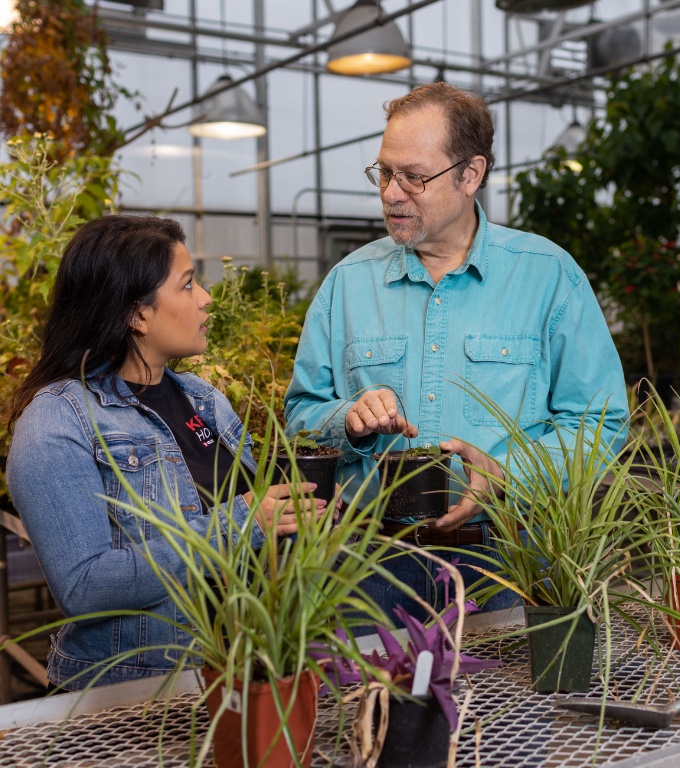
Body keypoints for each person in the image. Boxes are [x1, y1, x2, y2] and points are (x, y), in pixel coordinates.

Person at [284, 82, 630, 623]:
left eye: (414, 177)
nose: (392, 193)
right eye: (384, 173)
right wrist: (346, 421)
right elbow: (301, 415)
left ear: (471, 174)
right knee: (364, 706)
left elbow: (600, 419)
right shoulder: (347, 285)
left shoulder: (546, 276)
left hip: (508, 559)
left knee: (507, 706)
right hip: (368, 566)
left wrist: (510, 473)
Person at [5, 215, 326, 691]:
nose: (206, 298)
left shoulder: (204, 400)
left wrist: (299, 518)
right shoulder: (57, 422)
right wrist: (242, 523)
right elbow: (86, 589)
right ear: (137, 314)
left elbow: (256, 530)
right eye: (188, 284)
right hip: (135, 694)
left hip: (239, 670)